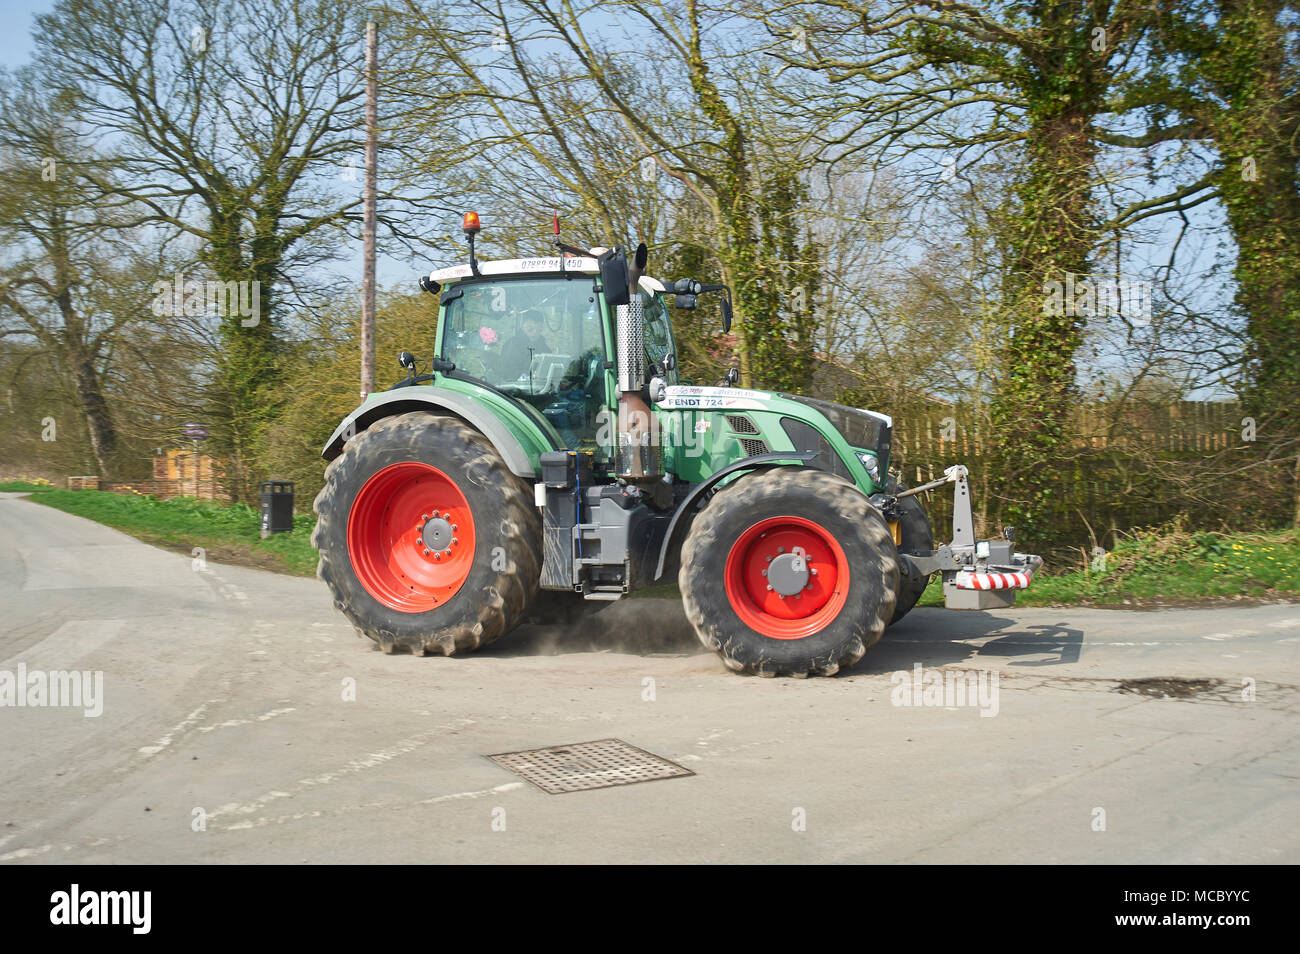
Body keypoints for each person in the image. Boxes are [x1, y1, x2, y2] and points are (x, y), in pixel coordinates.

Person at [501, 310, 551, 381]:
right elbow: (507, 370)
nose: (534, 333)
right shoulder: (511, 345)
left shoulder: (545, 349)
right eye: (530, 328)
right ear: (522, 325)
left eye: (539, 329)